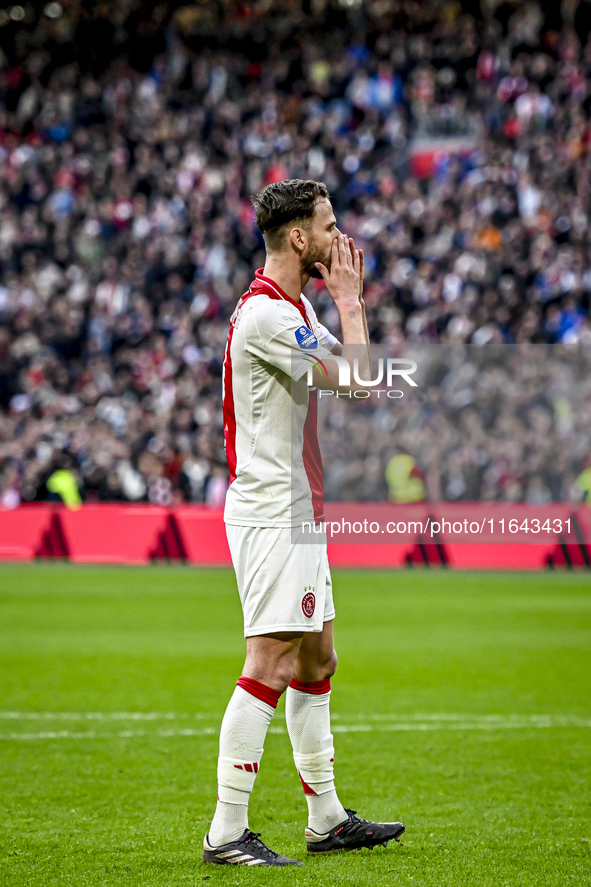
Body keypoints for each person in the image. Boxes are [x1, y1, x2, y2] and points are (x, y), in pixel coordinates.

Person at [203, 179, 405, 867]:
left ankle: (325, 819)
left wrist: (343, 309)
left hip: (298, 512)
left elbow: (364, 374)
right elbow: (353, 379)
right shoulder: (265, 315)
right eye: (328, 226)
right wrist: (348, 300)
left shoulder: (289, 308)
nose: (338, 239)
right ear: (298, 238)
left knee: (318, 657)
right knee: (270, 660)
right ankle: (226, 832)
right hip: (269, 510)